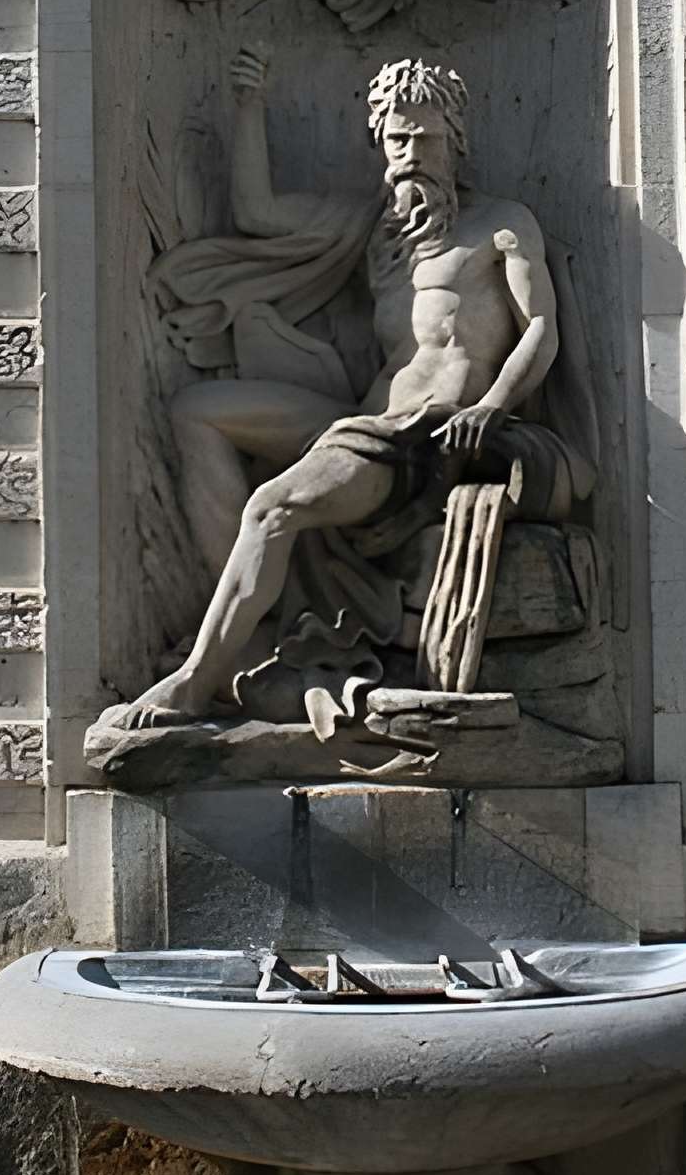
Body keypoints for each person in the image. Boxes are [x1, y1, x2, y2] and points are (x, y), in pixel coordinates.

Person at [101, 50, 597, 740]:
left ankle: (196, 681)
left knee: (272, 509)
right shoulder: (378, 231)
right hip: (366, 424)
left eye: (427, 139)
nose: (413, 155)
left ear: (456, 141)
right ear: (378, 143)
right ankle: (252, 628)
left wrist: (491, 409)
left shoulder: (500, 224)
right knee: (199, 414)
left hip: (427, 441)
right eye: (399, 139)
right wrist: (249, 106)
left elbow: (540, 327)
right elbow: (258, 212)